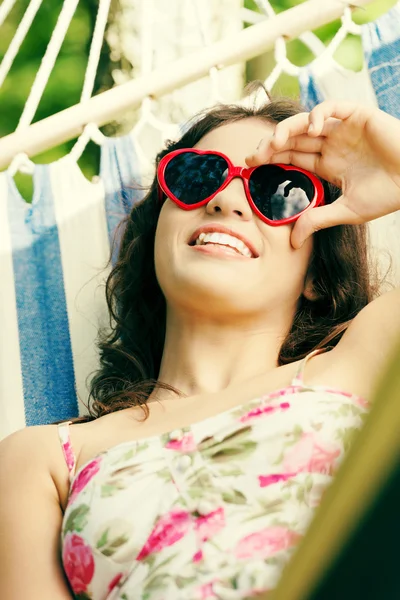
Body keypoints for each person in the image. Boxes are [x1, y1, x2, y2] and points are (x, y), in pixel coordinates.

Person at [1, 96, 400, 600]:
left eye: (279, 192)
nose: (225, 201)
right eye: (197, 176)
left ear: (317, 274)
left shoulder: (364, 361)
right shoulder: (46, 459)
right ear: (154, 235)